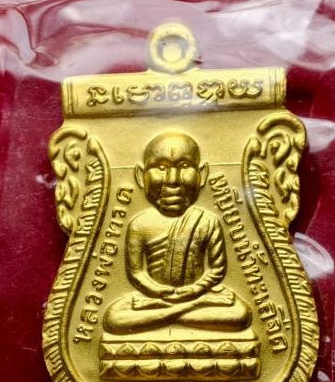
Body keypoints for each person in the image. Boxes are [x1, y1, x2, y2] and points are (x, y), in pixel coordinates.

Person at [103, 130, 251, 334]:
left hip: (198, 296)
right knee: (114, 318)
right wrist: (157, 291)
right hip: (155, 299)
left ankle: (169, 315)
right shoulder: (139, 225)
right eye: (160, 168)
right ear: (140, 176)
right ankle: (183, 313)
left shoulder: (207, 221)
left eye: (185, 166)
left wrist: (195, 290)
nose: (172, 180)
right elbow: (136, 273)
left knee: (240, 314)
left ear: (202, 175)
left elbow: (217, 269)